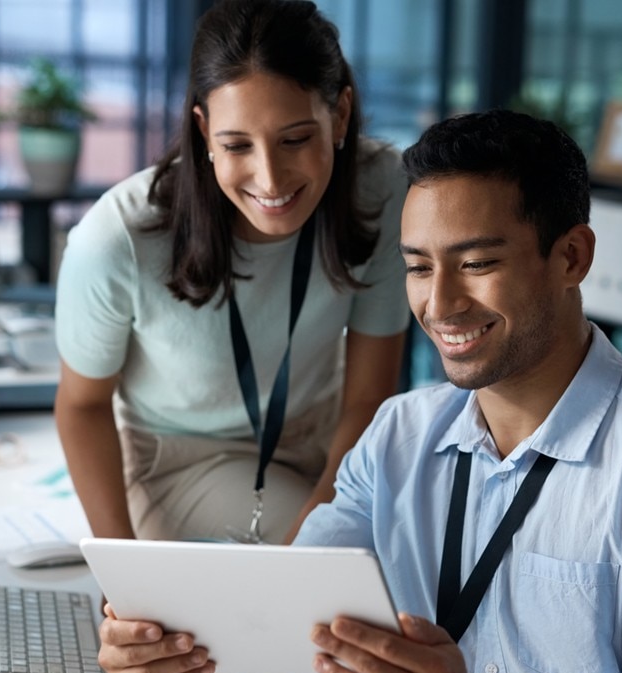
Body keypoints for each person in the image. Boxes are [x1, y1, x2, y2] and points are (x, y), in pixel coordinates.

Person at [95, 109, 622, 673]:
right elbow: (287, 644)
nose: (442, 304)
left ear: (572, 258)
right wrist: (182, 660)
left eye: (478, 262)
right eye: (420, 268)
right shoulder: (400, 434)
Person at [54, 0, 408, 545]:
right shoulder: (116, 238)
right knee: (363, 576)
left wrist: (321, 521)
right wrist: (123, 573)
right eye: (236, 144)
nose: (270, 179)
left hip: (328, 441)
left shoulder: (383, 187)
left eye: (295, 140)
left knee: (423, 568)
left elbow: (369, 396)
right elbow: (82, 406)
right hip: (184, 460)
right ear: (203, 131)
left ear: (339, 115)